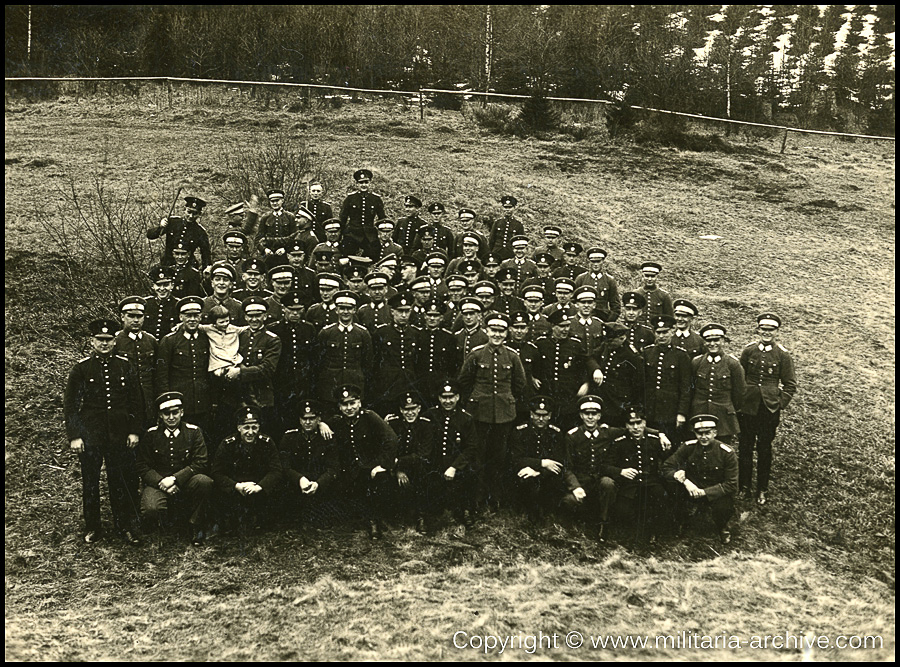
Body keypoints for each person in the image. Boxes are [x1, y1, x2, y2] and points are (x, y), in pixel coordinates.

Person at [64, 318, 142, 545]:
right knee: (90, 482)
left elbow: (136, 402)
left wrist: (134, 431)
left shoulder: (125, 366)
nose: (105, 344)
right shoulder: (81, 368)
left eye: (109, 340)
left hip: (119, 435)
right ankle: (93, 527)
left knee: (119, 480)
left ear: (114, 341)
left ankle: (123, 525)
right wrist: (75, 436)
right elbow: (71, 406)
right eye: (100, 340)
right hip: (91, 436)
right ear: (92, 341)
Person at [457, 312, 528, 510]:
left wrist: (506, 399)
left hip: (504, 415)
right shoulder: (476, 354)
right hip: (479, 413)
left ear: (507, 333)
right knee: (478, 456)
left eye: (501, 331)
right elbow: (464, 381)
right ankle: (478, 498)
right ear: (486, 331)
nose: (497, 334)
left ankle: (495, 497)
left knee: (499, 457)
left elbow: (520, 384)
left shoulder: (512, 356)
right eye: (493, 330)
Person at [136, 392, 213, 545]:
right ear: (160, 415)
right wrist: (160, 482)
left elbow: (201, 461)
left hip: (186, 481)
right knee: (151, 508)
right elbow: (142, 465)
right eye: (166, 413)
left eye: (175, 412)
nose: (171, 417)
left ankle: (195, 525)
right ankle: (164, 522)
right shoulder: (151, 434)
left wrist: (175, 479)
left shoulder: (194, 432)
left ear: (182, 412)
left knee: (205, 482)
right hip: (159, 483)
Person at [738, 313, 797, 505]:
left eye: (770, 330)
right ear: (758, 329)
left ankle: (762, 489)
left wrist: (780, 403)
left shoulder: (783, 354)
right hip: (748, 407)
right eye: (763, 329)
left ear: (777, 331)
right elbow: (741, 376)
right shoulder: (749, 351)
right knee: (745, 447)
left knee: (764, 448)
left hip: (769, 409)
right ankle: (744, 487)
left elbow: (790, 384)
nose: (766, 333)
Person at [330, 384, 398, 539]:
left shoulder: (370, 417)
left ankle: (375, 521)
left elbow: (391, 439)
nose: (349, 408)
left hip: (371, 467)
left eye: (352, 403)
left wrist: (382, 465)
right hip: (350, 470)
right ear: (339, 407)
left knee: (380, 482)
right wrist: (321, 424)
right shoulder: (337, 421)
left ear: (359, 403)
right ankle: (357, 518)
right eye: (344, 404)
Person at [662, 414, 738, 544]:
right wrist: (684, 481)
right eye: (699, 433)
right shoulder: (688, 447)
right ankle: (681, 521)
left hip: (714, 492)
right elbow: (667, 466)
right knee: (672, 488)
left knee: (723, 507)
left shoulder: (727, 453)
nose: (703, 437)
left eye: (707, 433)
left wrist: (705, 492)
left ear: (715, 433)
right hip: (692, 488)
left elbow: (731, 484)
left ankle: (722, 526)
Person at [212, 405, 283, 533]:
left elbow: (276, 470)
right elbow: (217, 472)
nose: (250, 432)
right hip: (237, 490)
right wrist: (236, 486)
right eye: (246, 427)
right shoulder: (228, 444)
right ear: (238, 428)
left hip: (258, 489)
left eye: (254, 427)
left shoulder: (267, 443)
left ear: (259, 427)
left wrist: (259, 486)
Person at [603, 407, 668, 542]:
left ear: (644, 423)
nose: (636, 427)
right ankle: (628, 533)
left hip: (650, 483)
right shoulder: (619, 443)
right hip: (629, 486)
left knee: (660, 497)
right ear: (626, 425)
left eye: (639, 423)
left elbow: (668, 460)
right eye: (631, 424)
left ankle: (654, 532)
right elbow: (605, 466)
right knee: (623, 511)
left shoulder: (654, 440)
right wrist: (621, 472)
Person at [510, 396, 578, 525]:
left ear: (550, 415)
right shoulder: (520, 431)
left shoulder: (556, 433)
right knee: (527, 480)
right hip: (525, 472)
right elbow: (515, 458)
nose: (541, 419)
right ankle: (530, 516)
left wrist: (539, 471)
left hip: (546, 474)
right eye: (537, 415)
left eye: (545, 415)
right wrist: (542, 463)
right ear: (531, 414)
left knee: (554, 481)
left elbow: (558, 461)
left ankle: (549, 514)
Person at [423, 381, 480, 531]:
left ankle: (467, 510)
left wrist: (455, 466)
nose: (447, 401)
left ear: (458, 397)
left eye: (451, 397)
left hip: (456, 463)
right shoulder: (430, 415)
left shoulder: (466, 418)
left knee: (471, 471)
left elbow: (471, 447)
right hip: (435, 463)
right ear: (439, 398)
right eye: (444, 397)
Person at [154, 296, 212, 437]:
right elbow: (161, 374)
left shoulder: (207, 338)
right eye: (188, 316)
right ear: (181, 317)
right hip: (179, 403)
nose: (192, 319)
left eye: (196, 315)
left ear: (200, 317)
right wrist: (167, 403)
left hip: (203, 401)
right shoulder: (169, 341)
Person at [560, 395, 615, 540]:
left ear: (599, 416)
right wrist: (575, 487)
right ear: (581, 415)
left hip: (599, 482)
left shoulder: (607, 432)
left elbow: (631, 428)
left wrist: (658, 433)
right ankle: (573, 527)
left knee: (608, 483)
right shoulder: (572, 436)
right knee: (569, 501)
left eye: (594, 414)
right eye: (586, 414)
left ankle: (603, 525)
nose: (590, 417)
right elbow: (567, 467)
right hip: (581, 482)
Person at [278, 400, 340, 526]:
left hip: (320, 486)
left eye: (312, 418)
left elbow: (333, 468)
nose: (307, 422)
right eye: (304, 418)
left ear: (319, 419)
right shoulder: (289, 437)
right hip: (297, 486)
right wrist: (299, 479)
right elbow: (285, 466)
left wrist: (319, 483)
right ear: (299, 420)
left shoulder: (327, 437)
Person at [268, 290, 318, 438]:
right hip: (281, 383)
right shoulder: (274, 329)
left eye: (298, 310)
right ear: (284, 309)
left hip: (303, 384)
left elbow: (313, 358)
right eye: (291, 310)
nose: (295, 314)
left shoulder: (309, 329)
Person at [531, 310, 590, 428]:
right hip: (547, 395)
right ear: (553, 326)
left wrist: (586, 383)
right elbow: (532, 365)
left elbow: (585, 365)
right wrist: (532, 377)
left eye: (568, 326)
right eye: (562, 326)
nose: (565, 329)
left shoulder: (575, 344)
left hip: (568, 397)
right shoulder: (541, 343)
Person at [689, 323, 745, 445]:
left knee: (721, 450)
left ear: (723, 341)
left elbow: (739, 393)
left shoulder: (733, 364)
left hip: (723, 417)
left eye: (716, 340)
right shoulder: (697, 362)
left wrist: (728, 408)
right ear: (704, 342)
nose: (712, 344)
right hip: (699, 411)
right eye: (708, 340)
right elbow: (691, 388)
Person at [315, 291, 374, 407]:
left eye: (349, 308)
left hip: (355, 383)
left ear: (354, 310)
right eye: (342, 308)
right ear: (336, 310)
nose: (345, 312)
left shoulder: (363, 333)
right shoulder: (326, 332)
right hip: (331, 384)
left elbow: (368, 362)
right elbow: (318, 361)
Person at [385, 393, 433, 532]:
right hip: (394, 468)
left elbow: (423, 454)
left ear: (419, 409)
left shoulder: (426, 425)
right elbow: (388, 449)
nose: (410, 413)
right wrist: (397, 470)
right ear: (400, 410)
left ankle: (421, 517)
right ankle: (396, 516)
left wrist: (399, 464)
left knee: (423, 475)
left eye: (413, 409)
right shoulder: (393, 424)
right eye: (406, 409)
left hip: (417, 466)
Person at [641, 314, 691, 445]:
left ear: (672, 332)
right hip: (650, 410)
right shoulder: (647, 352)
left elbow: (686, 387)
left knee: (670, 446)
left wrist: (682, 413)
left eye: (665, 332)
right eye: (658, 332)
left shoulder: (681, 355)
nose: (661, 336)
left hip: (671, 412)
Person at [114, 296, 158, 430]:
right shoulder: (116, 341)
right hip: (124, 400)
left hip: (148, 399)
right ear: (122, 317)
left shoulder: (151, 340)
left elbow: (157, 371)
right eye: (131, 316)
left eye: (139, 316)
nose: (135, 320)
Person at [372, 293, 420, 415]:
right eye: (400, 311)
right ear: (392, 312)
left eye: (407, 311)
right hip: (388, 386)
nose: (404, 315)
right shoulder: (381, 333)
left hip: (409, 384)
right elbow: (375, 362)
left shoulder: (416, 333)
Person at [590, 322, 644, 427]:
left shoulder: (632, 356)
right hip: (603, 399)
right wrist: (596, 369)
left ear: (622, 338)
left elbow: (638, 385)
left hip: (619, 404)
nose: (607, 343)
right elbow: (591, 357)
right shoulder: (606, 345)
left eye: (611, 341)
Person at [146, 195, 212, 271]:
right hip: (168, 265)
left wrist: (206, 272)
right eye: (189, 212)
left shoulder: (200, 232)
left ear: (199, 214)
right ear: (184, 209)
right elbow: (150, 235)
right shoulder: (172, 223)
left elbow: (206, 256)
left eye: (195, 213)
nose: (191, 216)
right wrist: (160, 227)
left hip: (188, 269)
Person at [415, 299, 460, 403]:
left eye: (435, 316)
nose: (432, 318)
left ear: (441, 318)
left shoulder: (449, 337)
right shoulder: (417, 335)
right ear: (424, 316)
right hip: (421, 383)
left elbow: (452, 364)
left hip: (441, 383)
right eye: (429, 315)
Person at [339, 169, 385, 260]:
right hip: (352, 233)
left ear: (370, 183)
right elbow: (343, 218)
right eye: (361, 183)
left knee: (374, 254)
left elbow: (382, 218)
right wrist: (341, 234)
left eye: (366, 182)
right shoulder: (350, 199)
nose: (364, 185)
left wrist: (383, 234)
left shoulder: (376, 199)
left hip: (369, 234)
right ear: (357, 184)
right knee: (346, 255)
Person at [574, 247, 620, 322]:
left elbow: (615, 305)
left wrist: (609, 321)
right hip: (583, 318)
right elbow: (573, 301)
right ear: (589, 262)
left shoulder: (609, 280)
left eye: (598, 261)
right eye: (593, 261)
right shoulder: (581, 279)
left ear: (603, 262)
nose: (595, 264)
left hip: (603, 318)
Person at [255, 188, 297, 269]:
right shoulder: (265, 217)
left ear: (282, 201)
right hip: (269, 256)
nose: (274, 203)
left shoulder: (290, 217)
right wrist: (264, 250)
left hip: (285, 255)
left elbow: (295, 236)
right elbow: (258, 238)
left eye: (277, 200)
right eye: (272, 201)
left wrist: (285, 249)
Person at [144, 265, 180, 341]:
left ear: (172, 286)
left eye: (166, 285)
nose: (162, 289)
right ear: (153, 286)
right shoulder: (146, 303)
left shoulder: (178, 305)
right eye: (158, 285)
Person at [484, 195, 525, 260]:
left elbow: (521, 242)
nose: (507, 210)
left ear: (514, 208)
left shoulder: (518, 225)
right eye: (505, 207)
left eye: (510, 207)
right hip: (497, 253)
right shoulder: (497, 223)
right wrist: (491, 253)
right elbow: (491, 240)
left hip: (511, 254)